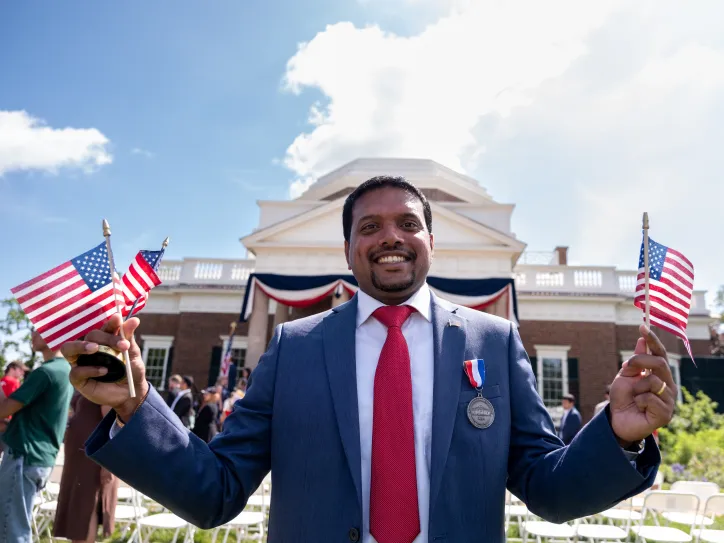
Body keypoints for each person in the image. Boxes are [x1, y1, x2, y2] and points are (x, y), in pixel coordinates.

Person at [65, 176, 676, 543]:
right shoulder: (294, 346)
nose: (390, 236)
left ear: (432, 242)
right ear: (349, 247)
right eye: (370, 225)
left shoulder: (492, 340)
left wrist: (616, 438)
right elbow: (215, 492)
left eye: (409, 222)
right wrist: (135, 406)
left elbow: (549, 489)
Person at [0, 329, 74, 542]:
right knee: (17, 525)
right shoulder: (65, 370)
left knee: (12, 531)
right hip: (40, 457)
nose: (32, 336)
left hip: (24, 456)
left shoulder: (45, 372)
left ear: (55, 335)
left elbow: (4, 409)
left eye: (38, 331)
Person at [53, 392, 120, 543]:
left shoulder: (104, 383)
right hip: (78, 462)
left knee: (85, 510)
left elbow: (111, 426)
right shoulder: (87, 380)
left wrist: (107, 465)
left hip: (92, 461)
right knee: (78, 511)